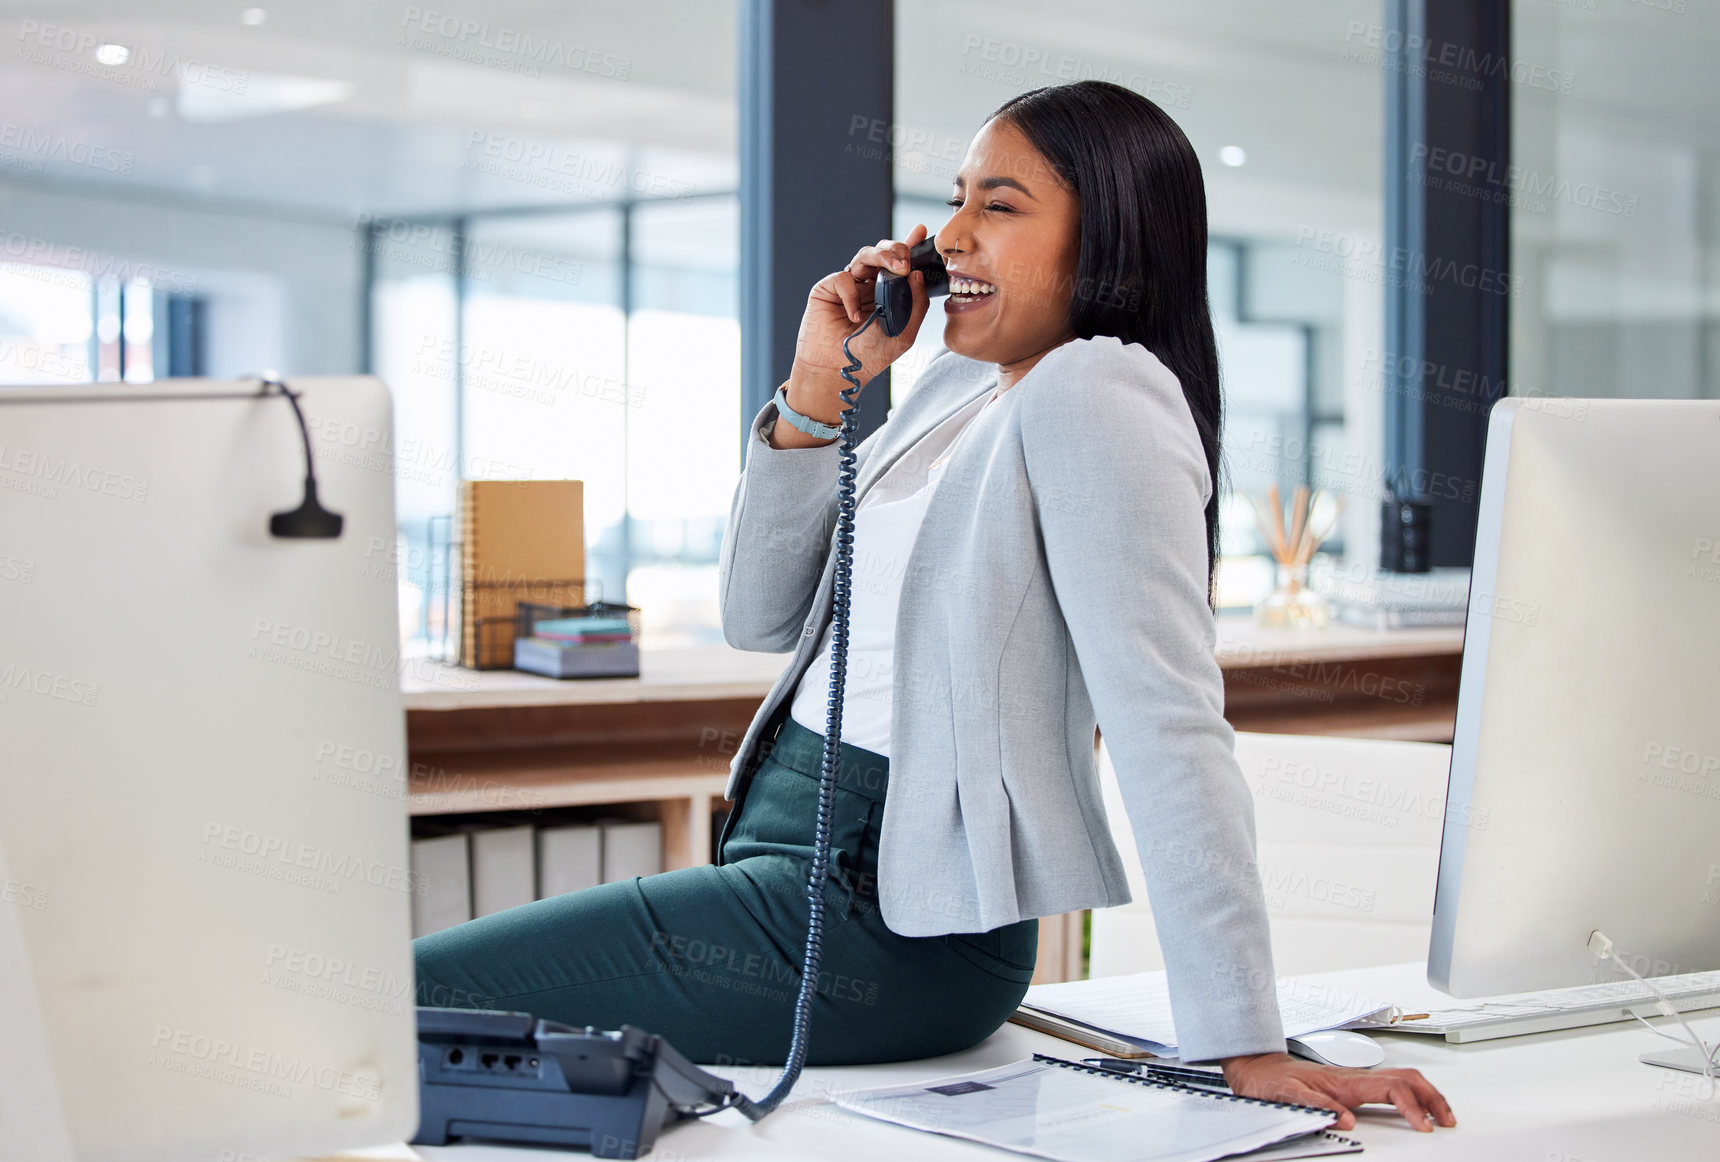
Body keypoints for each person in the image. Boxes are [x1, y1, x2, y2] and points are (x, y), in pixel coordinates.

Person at [415, 79, 1456, 1134]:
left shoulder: (1096, 392)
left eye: (999, 207)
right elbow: (761, 616)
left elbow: (1167, 720)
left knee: (385, 1001)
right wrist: (821, 384)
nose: (949, 235)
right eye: (956, 200)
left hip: (885, 918)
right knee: (422, 1027)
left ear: (1111, 242)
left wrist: (1243, 1037)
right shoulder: (959, 391)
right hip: (786, 861)